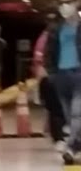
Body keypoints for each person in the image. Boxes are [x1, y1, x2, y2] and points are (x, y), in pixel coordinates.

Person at [45, 0, 81, 163]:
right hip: (61, 76)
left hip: (79, 73)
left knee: (76, 114)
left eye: (68, 2)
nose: (64, 6)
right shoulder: (55, 28)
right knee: (69, 116)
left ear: (76, 3)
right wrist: (51, 73)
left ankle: (71, 148)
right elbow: (49, 52)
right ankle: (77, 142)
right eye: (62, 3)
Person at [35, 13, 66, 150]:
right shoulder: (52, 37)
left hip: (51, 77)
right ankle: (59, 136)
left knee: (55, 109)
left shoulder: (44, 37)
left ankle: (59, 137)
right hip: (54, 77)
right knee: (58, 108)